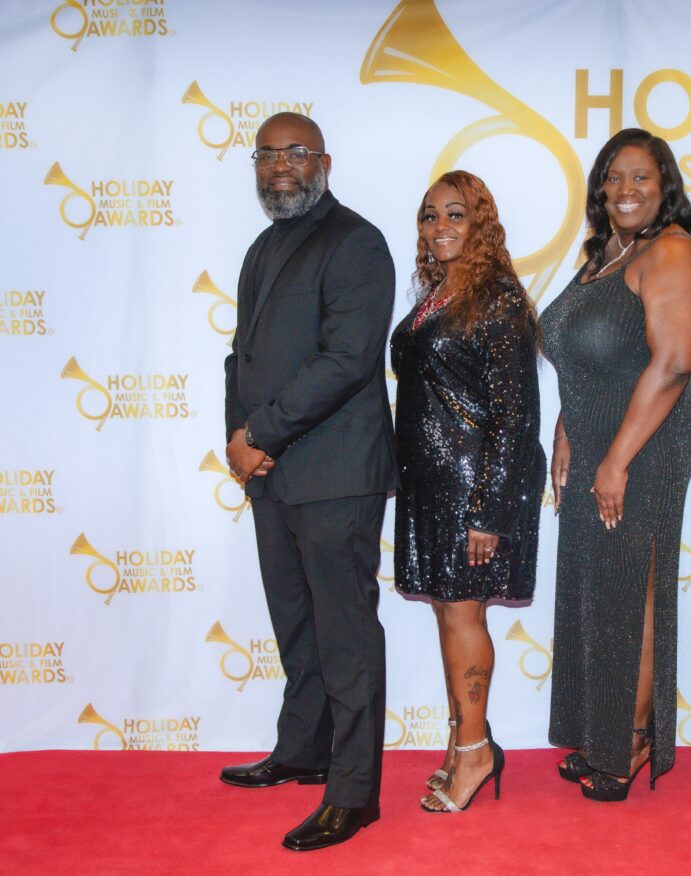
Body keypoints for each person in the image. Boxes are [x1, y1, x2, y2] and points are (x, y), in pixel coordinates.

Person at [221, 112, 397, 850]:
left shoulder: (356, 242)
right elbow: (243, 359)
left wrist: (259, 433)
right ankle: (302, 750)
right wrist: (242, 445)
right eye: (267, 155)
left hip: (334, 475)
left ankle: (353, 793)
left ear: (324, 160)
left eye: (295, 154)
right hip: (274, 475)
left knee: (345, 633)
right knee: (297, 626)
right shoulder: (264, 246)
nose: (280, 167)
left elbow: (347, 360)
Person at [540, 129, 691, 801]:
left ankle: (633, 744)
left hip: (646, 443)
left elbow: (673, 365)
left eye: (642, 176)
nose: (627, 189)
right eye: (615, 177)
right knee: (598, 592)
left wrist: (614, 459)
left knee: (633, 590)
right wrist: (566, 426)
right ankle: (606, 731)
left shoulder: (670, 252)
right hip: (599, 440)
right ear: (601, 190)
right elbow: (589, 356)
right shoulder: (605, 259)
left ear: (664, 185)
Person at [390, 170, 546, 813]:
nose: (441, 227)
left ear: (481, 222)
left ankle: (477, 750)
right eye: (430, 216)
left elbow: (517, 417)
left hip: (472, 489)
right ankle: (463, 744)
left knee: (462, 614)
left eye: (457, 215)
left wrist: (489, 509)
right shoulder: (435, 293)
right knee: (449, 614)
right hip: (430, 486)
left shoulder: (499, 299)